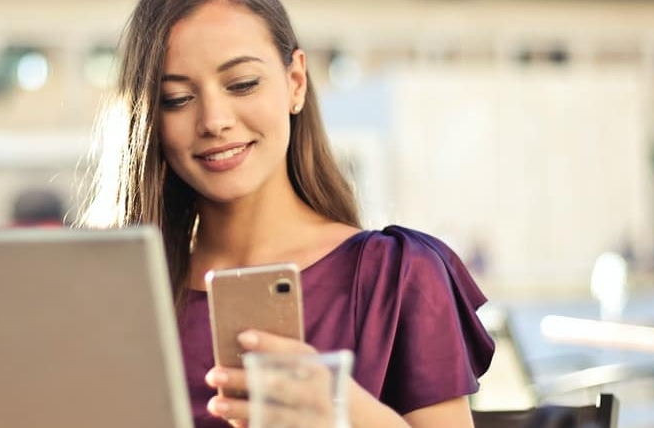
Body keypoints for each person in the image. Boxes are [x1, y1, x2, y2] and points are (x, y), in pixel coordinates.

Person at [79, 0, 495, 426]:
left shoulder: (399, 273)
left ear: (295, 82)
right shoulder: (117, 297)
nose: (215, 121)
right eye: (177, 98)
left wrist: (343, 411)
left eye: (241, 84)